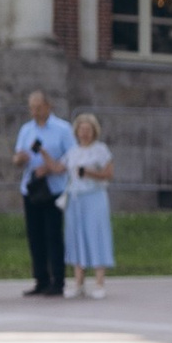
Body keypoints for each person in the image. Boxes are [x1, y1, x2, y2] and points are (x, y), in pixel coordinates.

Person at [13, 92, 73, 299]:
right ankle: (41, 280)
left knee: (53, 234)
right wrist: (20, 158)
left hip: (54, 188)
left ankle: (57, 280)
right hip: (31, 188)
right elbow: (17, 156)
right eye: (32, 107)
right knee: (35, 235)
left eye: (38, 107)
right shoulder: (26, 129)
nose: (35, 111)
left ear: (48, 106)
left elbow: (71, 155)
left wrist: (50, 168)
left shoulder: (63, 129)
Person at [63, 115, 114, 299]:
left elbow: (109, 173)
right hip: (76, 199)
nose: (84, 133)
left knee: (96, 235)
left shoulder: (100, 150)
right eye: (81, 129)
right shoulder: (72, 151)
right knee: (76, 237)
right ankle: (78, 282)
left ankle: (99, 282)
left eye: (88, 130)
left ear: (94, 131)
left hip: (95, 196)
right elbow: (60, 169)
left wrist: (90, 173)